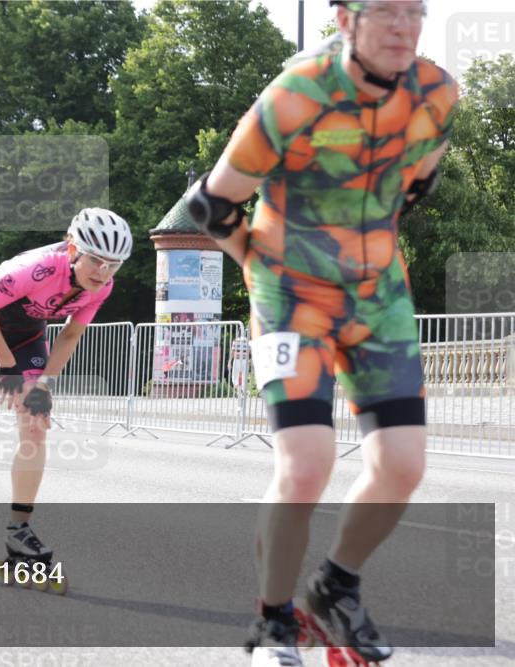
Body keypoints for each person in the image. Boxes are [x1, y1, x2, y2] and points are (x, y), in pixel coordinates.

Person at [182, 1, 456, 665]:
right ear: (343, 17)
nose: (402, 26)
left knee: (404, 464)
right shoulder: (295, 96)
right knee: (306, 467)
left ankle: (335, 585)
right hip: (291, 297)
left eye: (414, 11)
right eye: (384, 10)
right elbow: (211, 204)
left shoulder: (437, 93)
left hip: (379, 298)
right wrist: (261, 264)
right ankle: (274, 622)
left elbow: (412, 189)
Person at [0, 207, 132, 564]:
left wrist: (44, 385)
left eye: (114, 264)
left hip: (24, 337)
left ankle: (19, 530)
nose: (104, 272)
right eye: (96, 260)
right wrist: (6, 367)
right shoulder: (38, 268)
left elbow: (71, 334)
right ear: (71, 250)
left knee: (35, 426)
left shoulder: (103, 286)